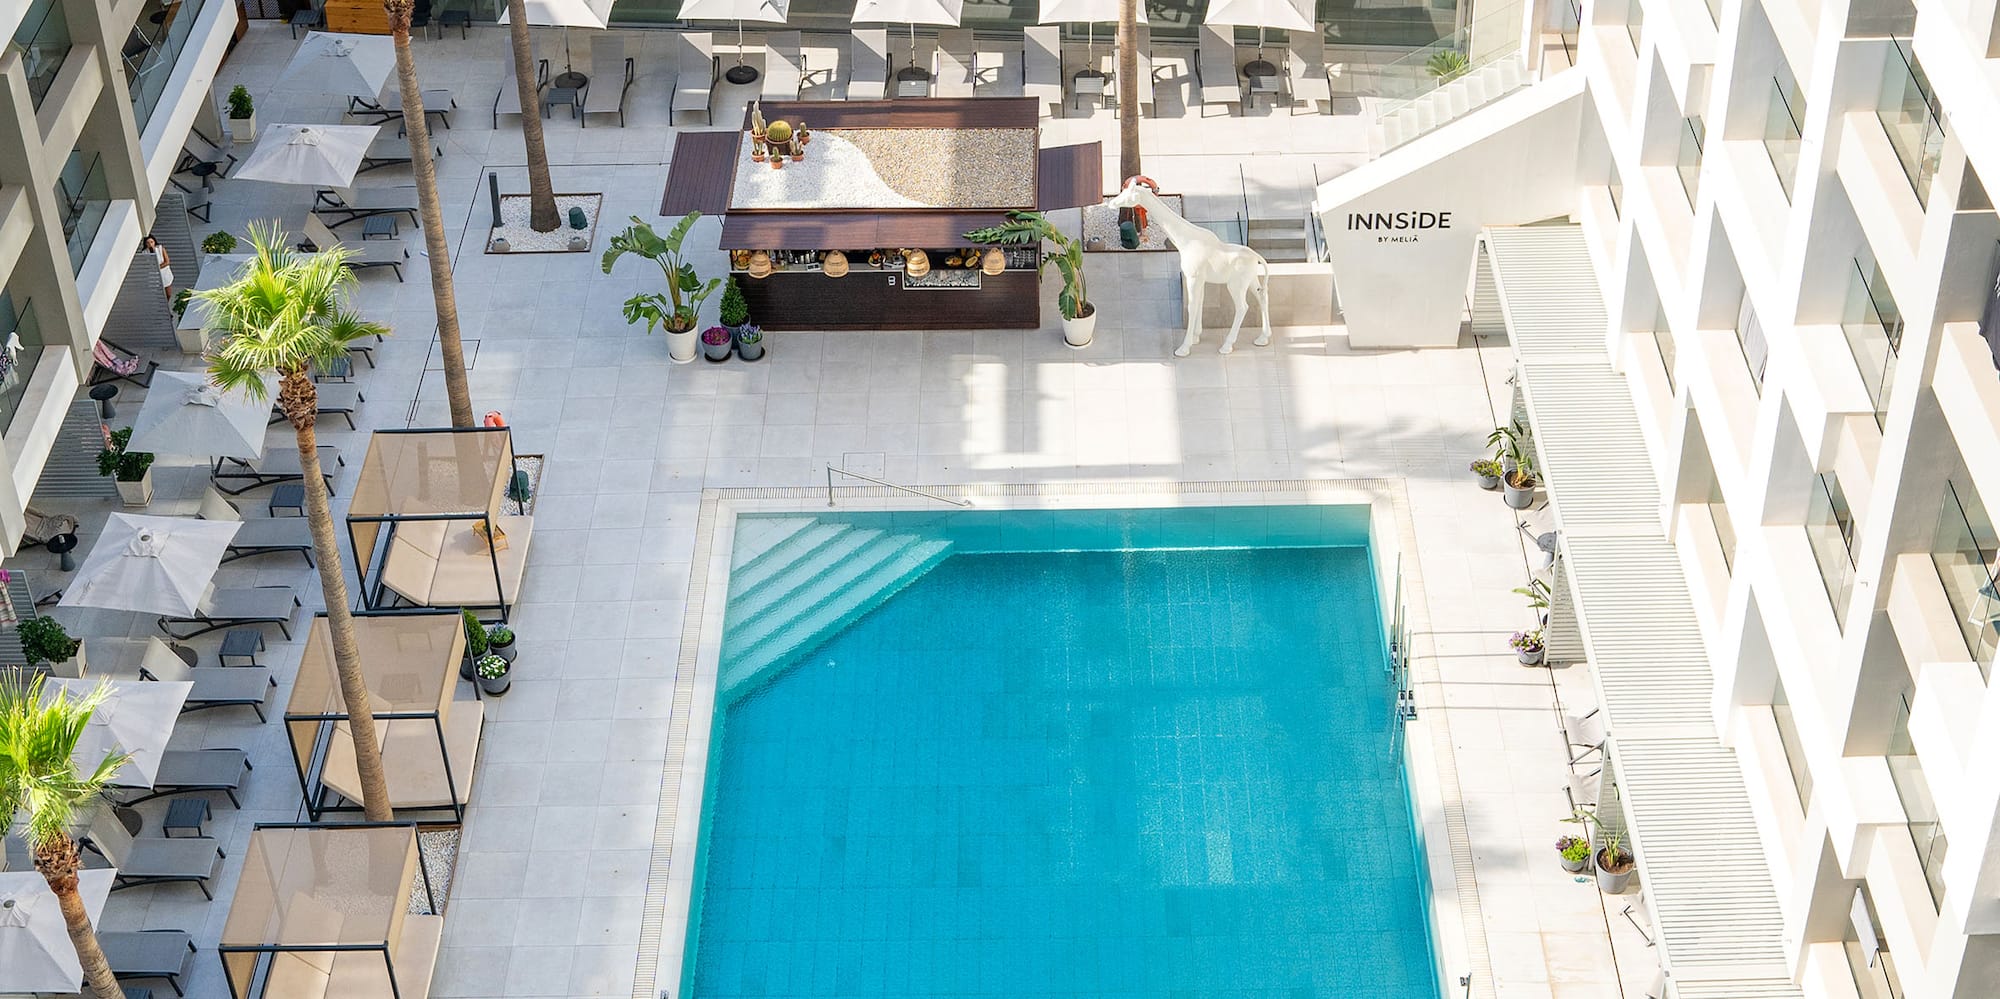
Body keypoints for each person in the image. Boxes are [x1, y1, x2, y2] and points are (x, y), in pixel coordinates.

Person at [142, 234, 172, 299]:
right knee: (158, 294)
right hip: (154, 274)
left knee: (168, 294)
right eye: (148, 243)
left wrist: (158, 267)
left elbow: (167, 261)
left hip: (164, 273)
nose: (150, 244)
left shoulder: (160, 248)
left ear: (154, 242)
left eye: (151, 242)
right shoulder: (144, 252)